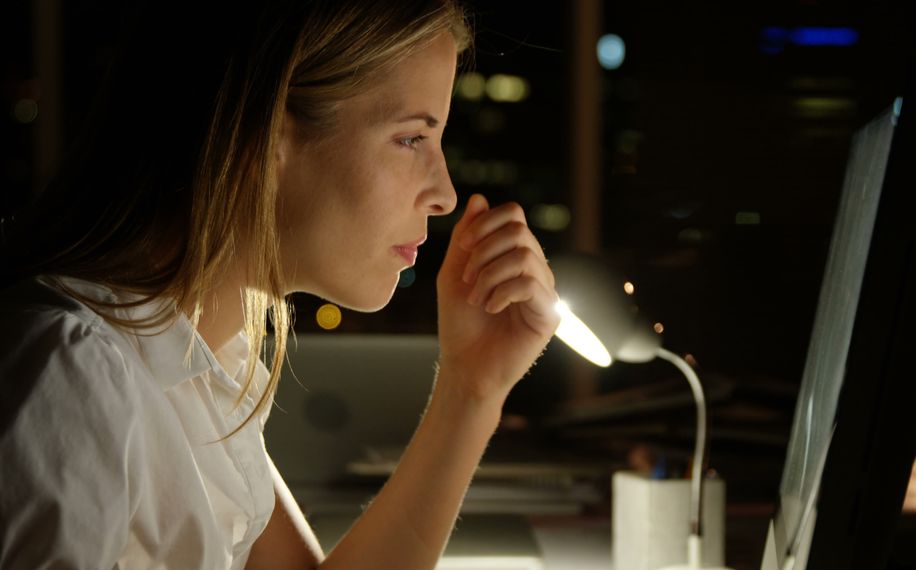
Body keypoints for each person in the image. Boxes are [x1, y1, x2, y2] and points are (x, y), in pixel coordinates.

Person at [0, 1, 560, 567]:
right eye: (412, 139)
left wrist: (471, 388)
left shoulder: (201, 364)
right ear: (265, 134)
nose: (444, 193)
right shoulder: (71, 375)